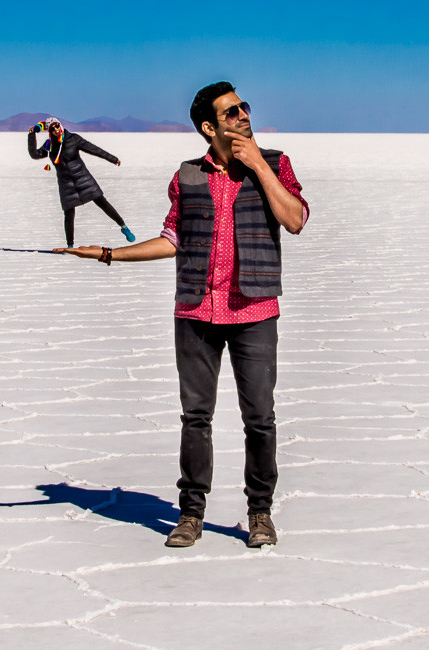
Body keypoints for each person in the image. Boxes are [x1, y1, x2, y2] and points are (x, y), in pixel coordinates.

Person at [55, 82, 308, 549]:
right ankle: (191, 512)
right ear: (210, 127)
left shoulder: (276, 164)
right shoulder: (187, 176)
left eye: (244, 107)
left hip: (254, 310)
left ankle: (259, 513)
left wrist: (255, 164)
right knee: (196, 417)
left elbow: (294, 219)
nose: (243, 116)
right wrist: (109, 253)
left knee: (260, 419)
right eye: (231, 113)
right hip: (195, 310)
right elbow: (172, 239)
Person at [28, 117, 135, 247]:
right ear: (49, 131)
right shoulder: (49, 145)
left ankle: (123, 226)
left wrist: (113, 159)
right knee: (68, 213)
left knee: (101, 201)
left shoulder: (73, 139)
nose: (56, 130)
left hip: (83, 178)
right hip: (66, 184)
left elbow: (94, 149)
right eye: (52, 128)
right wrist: (32, 135)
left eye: (57, 126)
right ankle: (70, 245)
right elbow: (35, 154)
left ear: (60, 126)